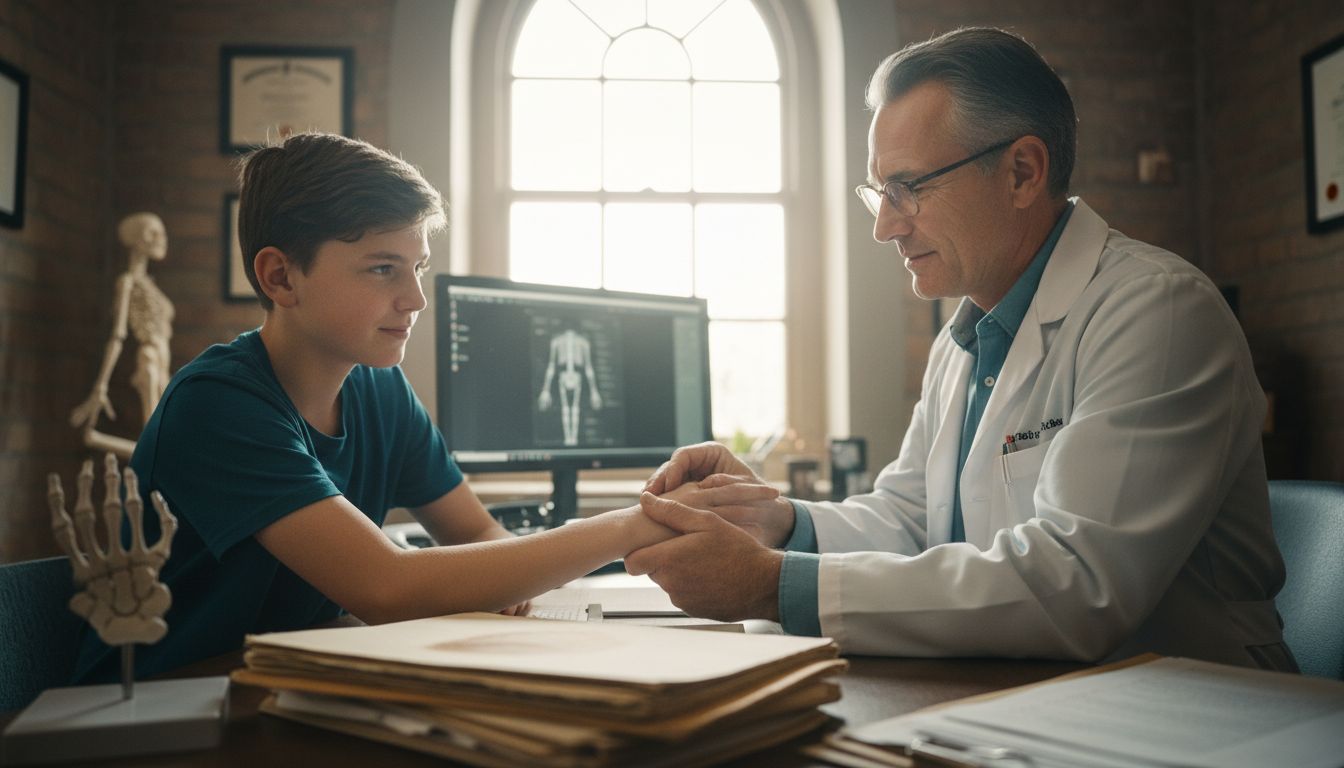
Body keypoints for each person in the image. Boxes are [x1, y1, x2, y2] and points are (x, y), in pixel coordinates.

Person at [633, 27, 1294, 671]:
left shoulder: (1158, 312)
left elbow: (1075, 583)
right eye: (878, 192)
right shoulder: (969, 334)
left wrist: (771, 584)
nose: (884, 226)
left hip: (1196, 707)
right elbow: (914, 520)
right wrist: (776, 522)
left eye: (907, 188)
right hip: (1037, 693)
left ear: (1022, 172)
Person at [71, 133, 775, 683]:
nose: (414, 299)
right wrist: (637, 523)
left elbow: (477, 539)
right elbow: (385, 586)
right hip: (170, 709)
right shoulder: (218, 405)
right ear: (281, 276)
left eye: (418, 268)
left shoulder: (378, 389)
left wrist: (505, 573)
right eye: (383, 268)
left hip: (284, 687)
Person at [69, 212, 175, 459]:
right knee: (156, 448)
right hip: (149, 360)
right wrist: (100, 387)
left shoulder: (151, 286)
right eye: (153, 232)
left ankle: (97, 440)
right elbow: (118, 335)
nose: (161, 239)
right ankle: (95, 440)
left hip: (164, 366)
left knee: (169, 442)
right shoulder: (127, 282)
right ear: (137, 239)